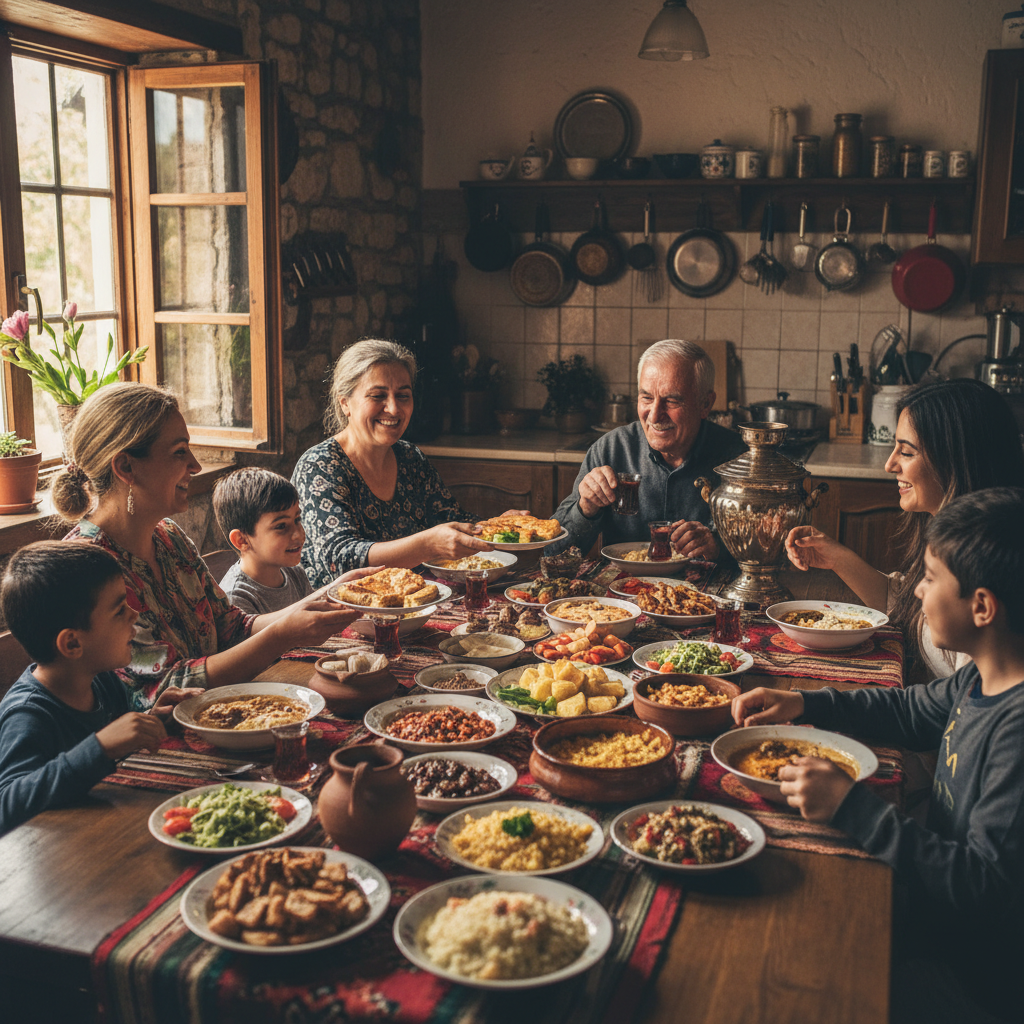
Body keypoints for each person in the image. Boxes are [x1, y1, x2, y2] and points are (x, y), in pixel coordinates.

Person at [733, 488, 1024, 1023]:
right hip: (940, 919)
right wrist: (803, 701)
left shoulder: (1016, 730)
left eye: (932, 578)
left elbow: (984, 885)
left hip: (972, 974)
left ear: (982, 606)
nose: (917, 589)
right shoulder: (981, 676)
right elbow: (911, 711)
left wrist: (853, 807)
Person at [50, 383, 363, 709]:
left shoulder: (169, 538)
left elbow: (233, 627)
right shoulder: (86, 568)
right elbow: (161, 686)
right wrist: (284, 634)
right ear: (126, 467)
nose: (196, 465)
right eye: (179, 451)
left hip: (218, 714)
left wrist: (329, 595)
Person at [785, 378, 1024, 678]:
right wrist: (835, 557)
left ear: (955, 459)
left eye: (907, 452)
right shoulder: (949, 535)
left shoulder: (986, 568)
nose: (889, 464)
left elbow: (964, 704)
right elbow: (907, 605)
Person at [0, 542, 202, 835]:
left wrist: (155, 720)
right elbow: (7, 805)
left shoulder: (102, 680)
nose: (135, 614)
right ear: (72, 643)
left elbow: (119, 749)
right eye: (120, 609)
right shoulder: (27, 714)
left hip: (108, 829)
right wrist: (100, 747)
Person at [292, 338, 502, 586]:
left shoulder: (410, 457)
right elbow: (341, 561)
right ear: (345, 403)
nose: (393, 408)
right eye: (378, 395)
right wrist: (428, 545)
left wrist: (498, 527)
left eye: (403, 395)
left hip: (412, 603)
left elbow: (448, 518)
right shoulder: (320, 465)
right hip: (342, 614)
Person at [549, 339, 747, 560]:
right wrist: (585, 507)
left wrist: (719, 547)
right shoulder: (610, 450)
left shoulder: (740, 459)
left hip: (709, 593)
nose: (654, 416)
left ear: (705, 404)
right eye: (646, 398)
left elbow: (771, 556)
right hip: (623, 590)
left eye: (671, 401)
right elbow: (552, 554)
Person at [213, 468, 313, 615]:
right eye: (281, 526)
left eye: (297, 520)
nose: (298, 534)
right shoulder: (236, 599)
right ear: (241, 540)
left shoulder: (295, 573)